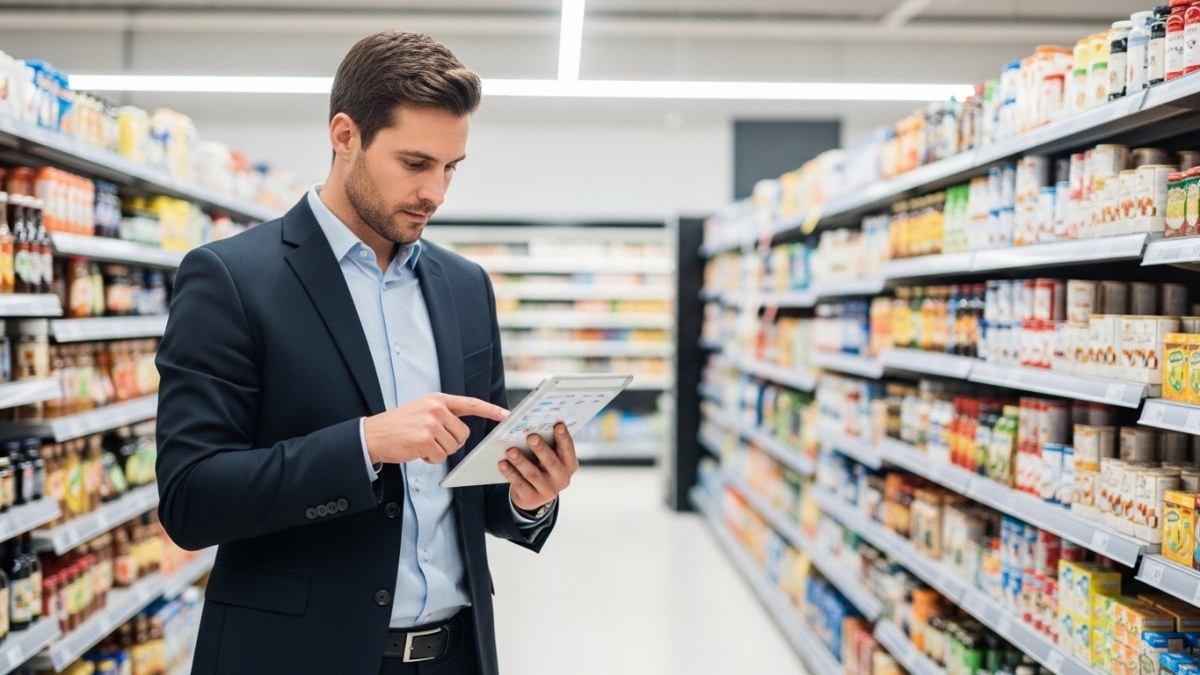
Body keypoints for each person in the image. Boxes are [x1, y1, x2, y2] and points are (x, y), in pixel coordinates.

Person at [155, 29, 577, 675]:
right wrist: (364, 444)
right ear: (345, 135)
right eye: (415, 163)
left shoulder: (466, 287)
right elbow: (192, 499)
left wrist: (529, 495)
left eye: (450, 168)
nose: (436, 192)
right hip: (297, 657)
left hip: (456, 653)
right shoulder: (232, 278)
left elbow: (480, 493)